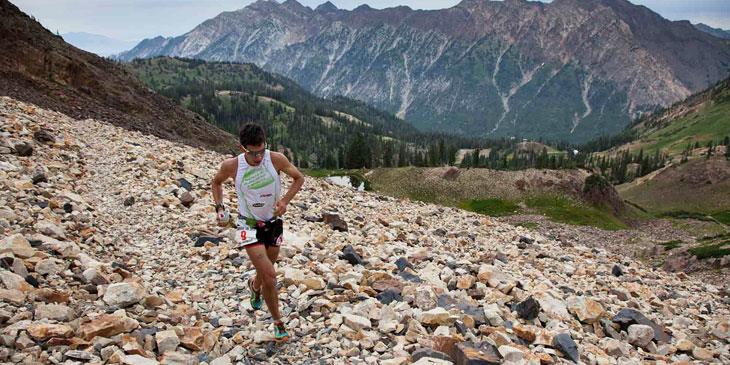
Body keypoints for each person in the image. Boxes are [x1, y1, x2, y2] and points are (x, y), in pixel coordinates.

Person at [211, 123, 304, 342]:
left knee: (266, 271)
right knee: (271, 275)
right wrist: (220, 208)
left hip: (274, 223)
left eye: (261, 150)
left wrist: (285, 201)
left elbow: (299, 178)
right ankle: (278, 323)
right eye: (252, 153)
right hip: (248, 225)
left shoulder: (276, 159)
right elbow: (216, 183)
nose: (258, 157)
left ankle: (254, 286)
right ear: (242, 148)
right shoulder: (232, 166)